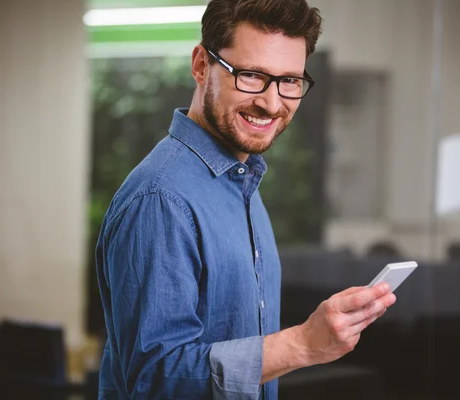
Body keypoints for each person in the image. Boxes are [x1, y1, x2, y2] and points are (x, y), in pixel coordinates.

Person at [95, 0, 396, 398]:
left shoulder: (242, 185)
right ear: (202, 65)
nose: (272, 104)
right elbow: (156, 380)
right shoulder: (161, 199)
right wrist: (302, 345)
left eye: (289, 81)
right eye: (251, 76)